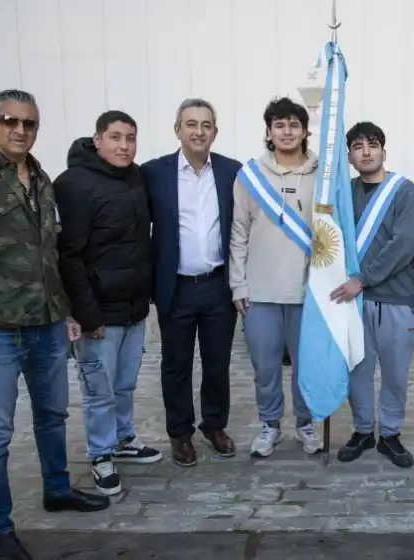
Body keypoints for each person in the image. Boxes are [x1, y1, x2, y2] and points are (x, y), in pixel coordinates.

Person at [0, 89, 109, 560]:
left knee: (53, 417)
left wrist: (67, 311)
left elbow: (48, 254)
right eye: (10, 120)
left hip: (48, 326)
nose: (20, 130)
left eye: (29, 123)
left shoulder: (41, 179)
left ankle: (57, 490)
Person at [54, 110, 160, 497]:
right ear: (97, 140)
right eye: (115, 137)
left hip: (133, 306)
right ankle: (100, 454)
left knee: (125, 383)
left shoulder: (133, 178)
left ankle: (123, 438)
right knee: (99, 388)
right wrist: (86, 313)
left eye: (130, 138)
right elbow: (69, 256)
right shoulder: (74, 184)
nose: (124, 145)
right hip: (98, 313)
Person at [141, 99, 240, 467]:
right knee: (176, 364)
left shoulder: (232, 171)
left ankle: (214, 425)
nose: (198, 131)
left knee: (217, 362)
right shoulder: (154, 173)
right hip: (176, 286)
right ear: (177, 129)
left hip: (218, 284)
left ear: (215, 131)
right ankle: (180, 433)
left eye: (206, 125)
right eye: (191, 124)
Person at [230, 96, 324, 458]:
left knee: (307, 366)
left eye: (294, 125)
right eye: (279, 125)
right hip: (261, 291)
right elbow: (238, 232)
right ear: (269, 131)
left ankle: (306, 423)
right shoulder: (250, 175)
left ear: (304, 131)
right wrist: (238, 284)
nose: (287, 131)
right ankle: (270, 424)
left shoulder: (322, 172)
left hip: (309, 291)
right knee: (265, 366)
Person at [332, 121, 414, 467]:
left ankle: (391, 434)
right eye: (357, 146)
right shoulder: (344, 192)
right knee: (358, 370)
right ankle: (362, 430)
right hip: (353, 301)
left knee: (395, 372)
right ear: (350, 156)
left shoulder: (404, 191)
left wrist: (362, 279)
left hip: (394, 299)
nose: (366, 151)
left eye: (373, 144)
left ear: (384, 150)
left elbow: (403, 244)